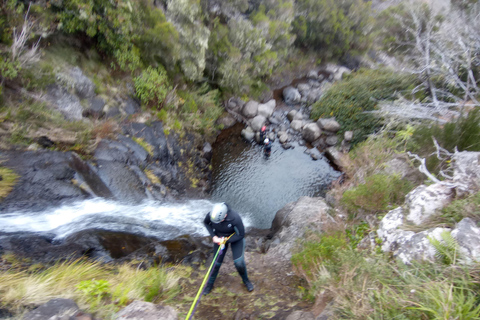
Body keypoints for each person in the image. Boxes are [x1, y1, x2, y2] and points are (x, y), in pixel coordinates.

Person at [203, 202, 254, 294]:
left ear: (225, 215)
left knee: (239, 263)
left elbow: (241, 235)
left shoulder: (235, 218)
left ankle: (246, 280)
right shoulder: (211, 215)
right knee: (216, 263)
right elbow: (206, 223)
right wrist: (213, 236)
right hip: (219, 238)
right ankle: (210, 284)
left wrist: (225, 241)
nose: (218, 223)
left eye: (220, 221)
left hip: (234, 238)